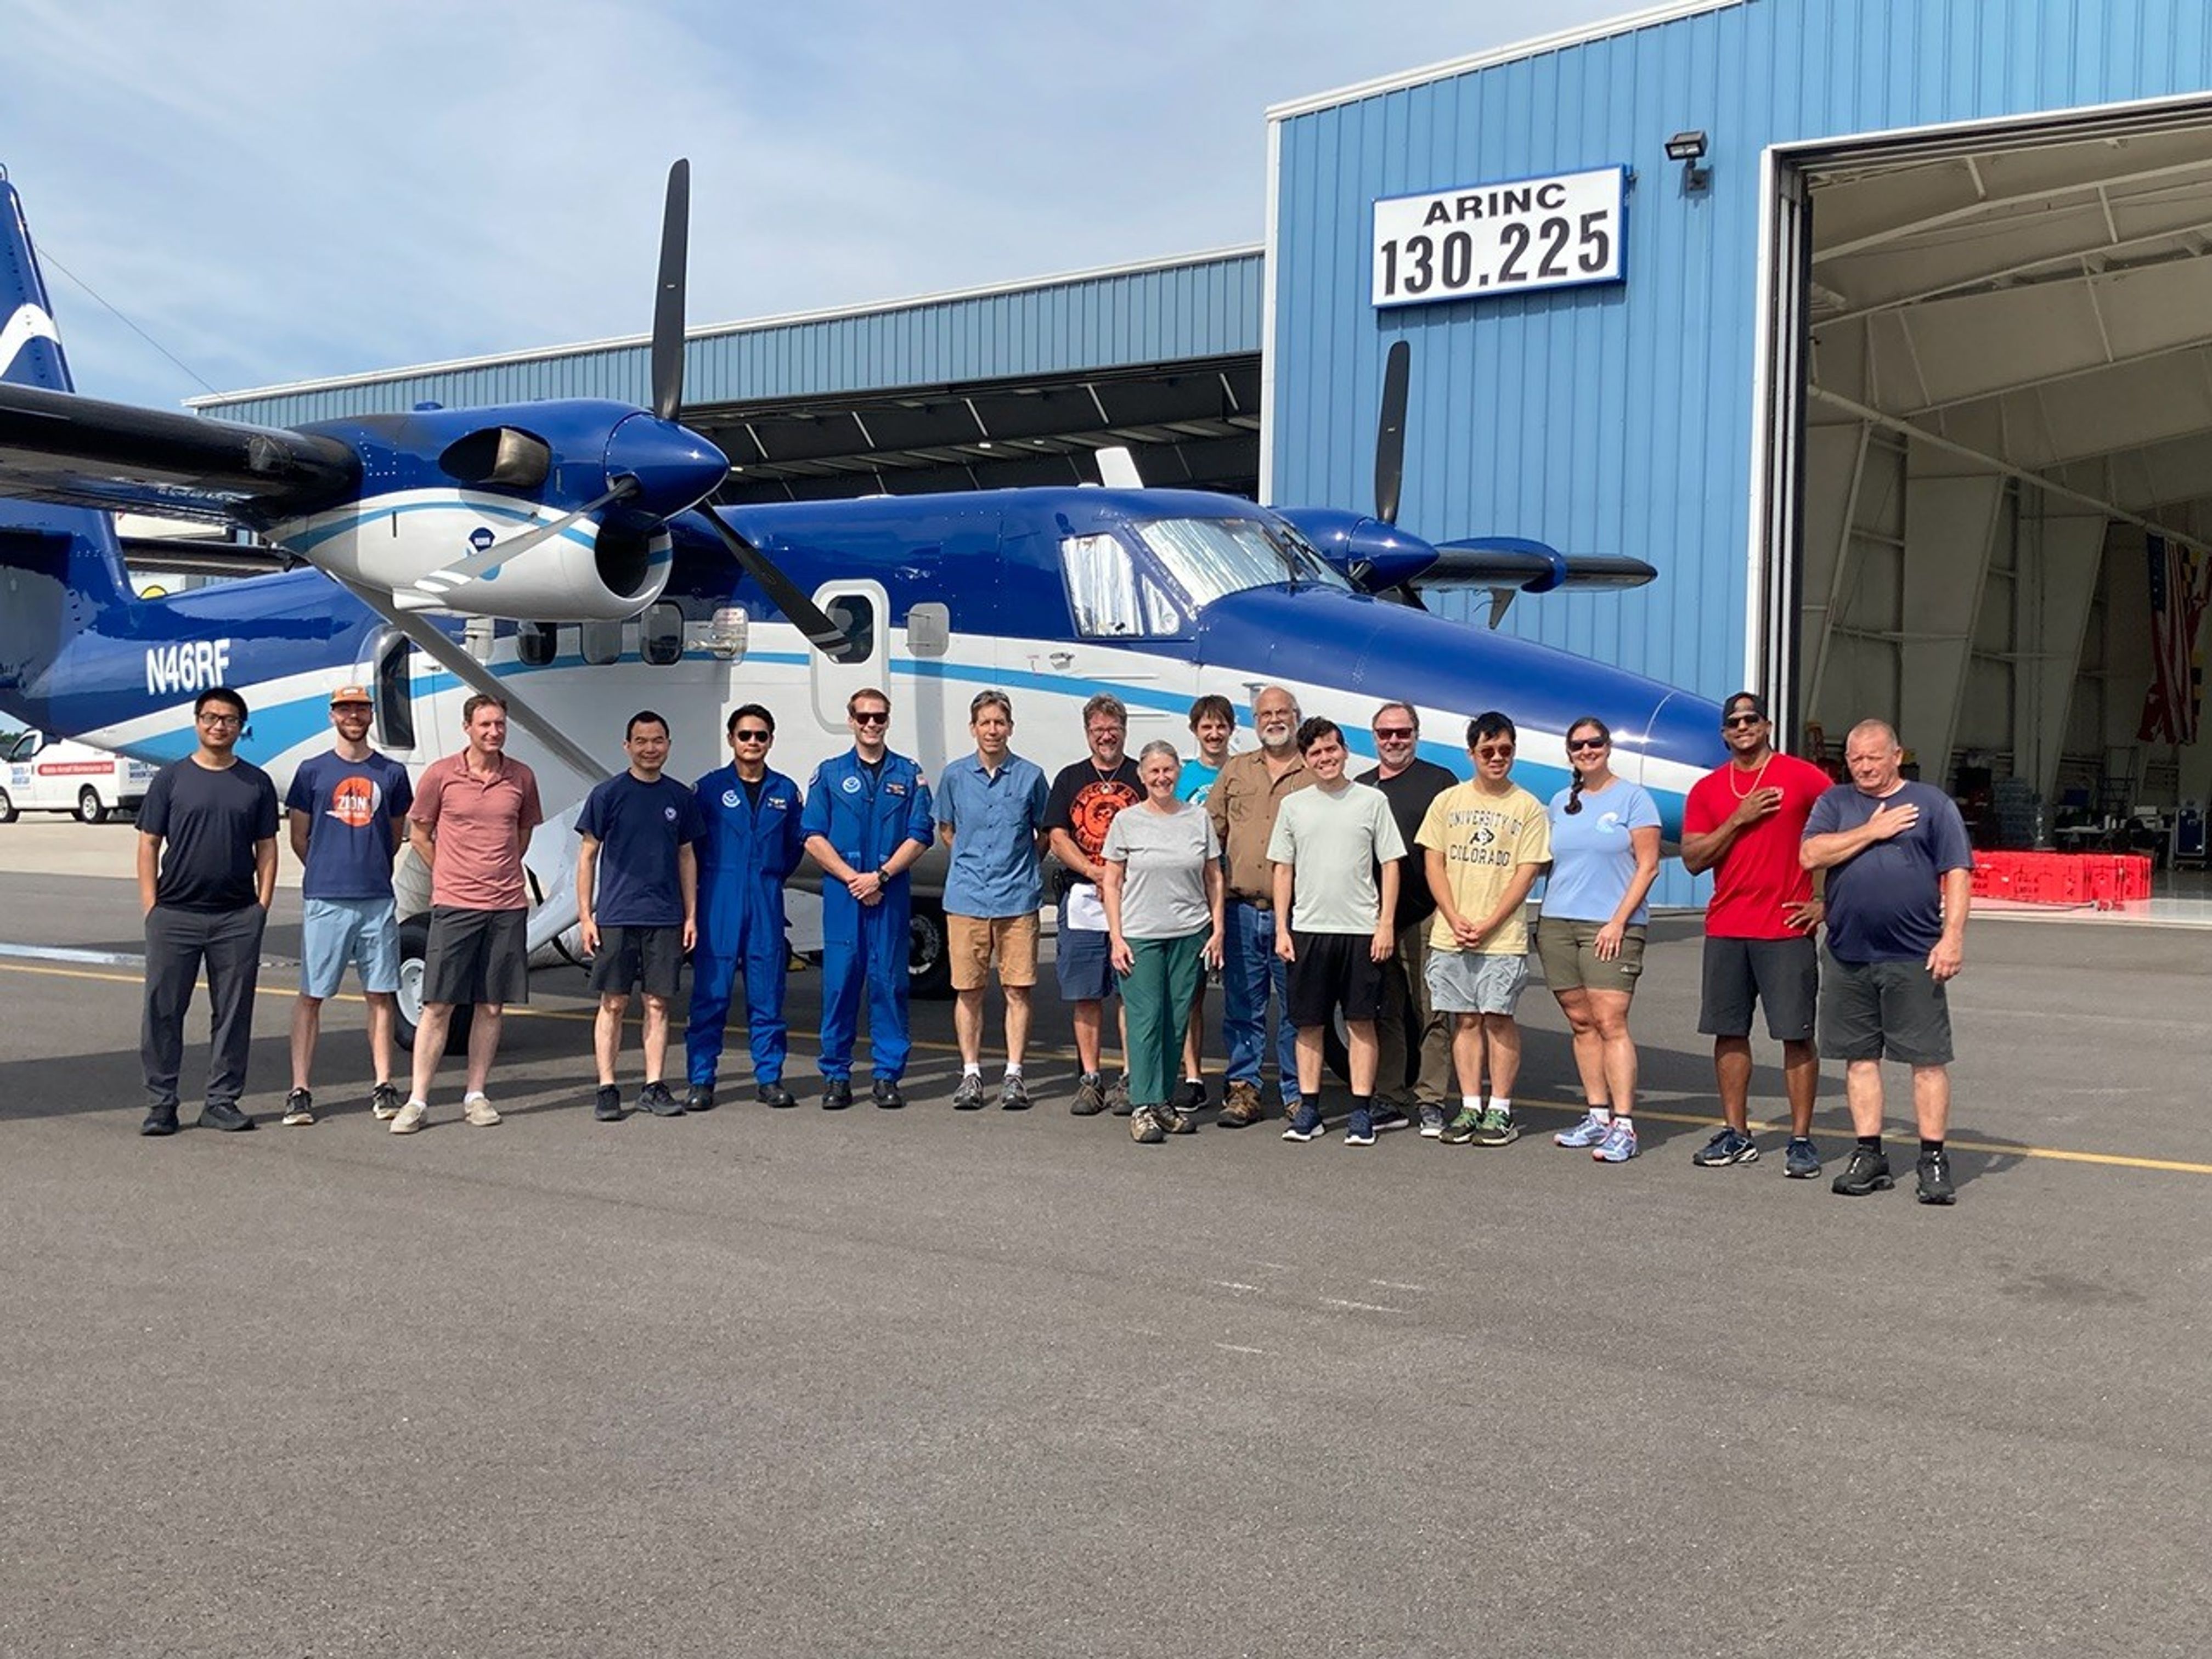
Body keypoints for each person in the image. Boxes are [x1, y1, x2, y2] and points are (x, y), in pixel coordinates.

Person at [1800, 718, 1973, 1205]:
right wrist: (1872, 830)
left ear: (1897, 755)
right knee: (1859, 1059)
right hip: (1848, 953)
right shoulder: (1835, 804)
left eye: (1875, 756)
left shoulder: (1932, 805)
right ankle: (1869, 1153)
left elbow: (1957, 873)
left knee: (1927, 1060)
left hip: (1913, 955)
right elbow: (1811, 854)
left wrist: (1953, 937)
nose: (1865, 766)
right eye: (1856, 758)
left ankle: (1933, 1158)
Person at [1679, 692, 1831, 1177]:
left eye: (1752, 719)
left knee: (1796, 1035)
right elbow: (1694, 858)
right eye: (1734, 722)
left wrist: (1825, 902)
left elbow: (1841, 833)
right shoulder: (1707, 791)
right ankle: (1737, 1133)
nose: (1743, 727)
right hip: (1728, 927)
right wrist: (1738, 819)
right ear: (1724, 734)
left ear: (1767, 726)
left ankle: (1802, 1139)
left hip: (1786, 928)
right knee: (1729, 1033)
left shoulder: (1802, 777)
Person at [396, 692, 544, 1135]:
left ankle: (476, 1094)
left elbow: (522, 834)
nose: (494, 732)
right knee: (438, 1004)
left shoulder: (521, 777)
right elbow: (420, 832)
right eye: (485, 725)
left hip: (506, 906)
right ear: (468, 728)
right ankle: (417, 1099)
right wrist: (447, 870)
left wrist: (499, 874)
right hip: (456, 904)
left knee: (492, 1005)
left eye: (499, 725)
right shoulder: (441, 776)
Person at [136, 685, 279, 1136]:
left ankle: (221, 1101)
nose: (220, 726)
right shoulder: (172, 778)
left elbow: (268, 849)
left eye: (230, 720)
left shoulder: (256, 782)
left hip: (236, 917)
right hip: (175, 914)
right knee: (162, 1012)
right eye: (212, 718)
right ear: (197, 722)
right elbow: (148, 844)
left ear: (242, 727)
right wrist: (151, 908)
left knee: (234, 1014)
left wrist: (261, 907)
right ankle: (161, 1104)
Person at [1267, 717, 1404, 1147]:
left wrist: (1385, 924)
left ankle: (1362, 1110)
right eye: (1316, 753)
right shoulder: (1294, 806)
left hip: (1362, 931)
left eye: (1331, 750)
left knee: (1362, 1023)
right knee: (1309, 1025)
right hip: (1308, 930)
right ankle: (1309, 1108)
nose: (1325, 759)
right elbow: (1283, 869)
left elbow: (1391, 865)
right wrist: (1282, 928)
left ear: (1344, 751)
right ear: (1306, 760)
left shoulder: (1372, 801)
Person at [1416, 712, 1550, 1148]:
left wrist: (1489, 922)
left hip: (1502, 935)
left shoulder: (1527, 806)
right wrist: (1453, 916)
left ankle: (1500, 1110)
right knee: (1465, 1020)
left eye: (1505, 751)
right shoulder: (1448, 802)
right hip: (1451, 931)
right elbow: (1433, 862)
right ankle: (1470, 1104)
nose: (1497, 758)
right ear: (1471, 753)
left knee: (1498, 1019)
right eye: (1488, 751)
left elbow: (1526, 873)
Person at [281, 686, 413, 1127]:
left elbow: (395, 835)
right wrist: (327, 867)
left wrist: (367, 865)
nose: (353, 716)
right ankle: (300, 1089)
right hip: (326, 898)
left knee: (380, 995)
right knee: (312, 996)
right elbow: (300, 837)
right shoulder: (312, 772)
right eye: (345, 709)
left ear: (371, 715)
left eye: (360, 708)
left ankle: (383, 1083)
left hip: (376, 898)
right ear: (333, 715)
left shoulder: (391, 773)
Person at [802, 688, 934, 1109]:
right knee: (840, 987)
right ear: (851, 720)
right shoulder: (830, 773)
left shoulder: (907, 774)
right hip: (844, 898)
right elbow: (812, 834)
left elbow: (920, 835)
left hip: (889, 894)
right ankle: (837, 1075)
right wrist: (852, 879)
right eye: (864, 717)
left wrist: (880, 877)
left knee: (890, 986)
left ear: (888, 720)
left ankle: (887, 1076)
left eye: (879, 717)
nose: (871, 724)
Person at [1539, 716, 1663, 1164]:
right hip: (1557, 923)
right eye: (1578, 745)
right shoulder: (1559, 802)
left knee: (1611, 1021)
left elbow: (1648, 866)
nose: (1587, 750)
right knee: (1580, 1021)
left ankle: (1624, 1124)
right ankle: (1596, 1114)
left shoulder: (1634, 798)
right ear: (1569, 752)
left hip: (1610, 926)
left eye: (1594, 743)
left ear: (1608, 747)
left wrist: (1617, 922)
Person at [577, 711, 706, 1122]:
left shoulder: (679, 798)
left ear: (668, 744)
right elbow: (588, 856)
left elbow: (687, 857)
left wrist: (691, 916)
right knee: (613, 1002)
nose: (650, 748)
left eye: (658, 741)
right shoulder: (607, 794)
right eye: (642, 741)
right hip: (616, 914)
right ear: (627, 746)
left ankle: (654, 1085)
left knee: (657, 1003)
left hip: (665, 916)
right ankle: (607, 1087)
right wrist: (586, 916)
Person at [1101, 741, 1224, 1144]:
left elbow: (1214, 877)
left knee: (1176, 1021)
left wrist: (1217, 929)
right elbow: (1113, 880)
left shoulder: (1197, 818)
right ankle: (1142, 1106)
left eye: (1168, 770)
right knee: (1145, 1020)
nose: (1162, 778)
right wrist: (1116, 936)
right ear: (1142, 775)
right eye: (1154, 771)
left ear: (1178, 771)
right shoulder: (1126, 821)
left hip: (1189, 932)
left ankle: (1162, 1101)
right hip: (1141, 935)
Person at [685, 704, 805, 1111]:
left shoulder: (785, 792)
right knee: (710, 995)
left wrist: (767, 878)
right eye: (745, 735)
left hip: (766, 900)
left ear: (770, 740)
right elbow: (692, 849)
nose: (752, 742)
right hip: (718, 898)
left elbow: (793, 849)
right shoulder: (708, 790)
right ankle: (701, 1080)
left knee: (768, 995)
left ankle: (769, 1078)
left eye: (760, 736)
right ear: (731, 739)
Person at [937, 690, 1051, 1111]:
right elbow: (948, 829)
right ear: (973, 728)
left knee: (1017, 990)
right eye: (985, 723)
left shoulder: (1031, 776)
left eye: (999, 722)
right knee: (968, 991)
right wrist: (970, 865)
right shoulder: (954, 776)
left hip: (1017, 900)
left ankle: (1014, 1074)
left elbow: (1044, 833)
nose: (992, 730)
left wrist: (1023, 866)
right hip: (966, 899)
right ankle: (970, 1074)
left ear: (1010, 728)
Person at [1206, 685, 1313, 1127]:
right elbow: (1211, 833)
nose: (1274, 719)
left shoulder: (1314, 772)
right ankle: (1244, 1089)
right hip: (1242, 910)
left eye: (1282, 712)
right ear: (1255, 721)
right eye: (1266, 713)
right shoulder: (1236, 770)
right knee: (1243, 1007)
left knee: (1295, 1009)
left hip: (1297, 914)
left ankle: (1296, 1093)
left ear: (1296, 717)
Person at [1356, 699, 1456, 1135]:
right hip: (1373, 919)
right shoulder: (1360, 787)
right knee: (1385, 1012)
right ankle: (1390, 1097)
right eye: (1385, 734)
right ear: (1374, 738)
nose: (1394, 741)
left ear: (1416, 735)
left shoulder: (1439, 783)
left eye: (1403, 733)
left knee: (1431, 1010)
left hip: (1426, 915)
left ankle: (1431, 1099)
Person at [1043, 692, 1143, 1116]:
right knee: (1086, 994)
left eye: (1113, 728)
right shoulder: (1070, 778)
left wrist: (1118, 876)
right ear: (1088, 734)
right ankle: (1090, 1079)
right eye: (1098, 729)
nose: (1107, 736)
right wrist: (1095, 872)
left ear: (1124, 730)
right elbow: (1058, 835)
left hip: (1134, 901)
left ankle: (1129, 1077)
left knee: (1129, 994)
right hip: (1083, 897)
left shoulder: (1140, 776)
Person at [1173, 693, 1235, 1110]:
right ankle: (1192, 1075)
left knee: (1242, 996)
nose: (1214, 734)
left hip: (1237, 894)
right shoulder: (1181, 776)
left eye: (1221, 726)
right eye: (1206, 727)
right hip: (1193, 899)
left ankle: (1240, 1076)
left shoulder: (1245, 770)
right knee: (1191, 995)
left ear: (1231, 729)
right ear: (1195, 731)